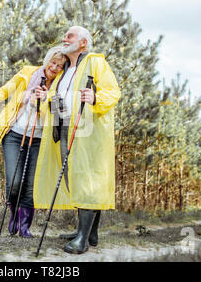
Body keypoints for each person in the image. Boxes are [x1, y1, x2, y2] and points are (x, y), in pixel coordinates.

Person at [33, 26, 121, 254]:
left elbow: (113, 91)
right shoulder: (65, 70)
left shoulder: (95, 62)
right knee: (74, 179)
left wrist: (95, 97)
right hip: (63, 128)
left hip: (87, 132)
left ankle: (82, 239)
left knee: (86, 179)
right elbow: (62, 98)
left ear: (83, 42)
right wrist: (47, 98)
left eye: (70, 35)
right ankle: (89, 232)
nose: (65, 38)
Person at [0, 46, 67, 238]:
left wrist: (46, 99)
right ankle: (14, 215)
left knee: (29, 185)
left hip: (40, 138)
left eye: (60, 65)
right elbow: (6, 90)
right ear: (47, 60)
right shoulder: (27, 73)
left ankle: (24, 226)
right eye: (53, 62)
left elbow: (61, 111)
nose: (55, 67)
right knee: (14, 181)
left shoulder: (61, 84)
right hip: (15, 134)